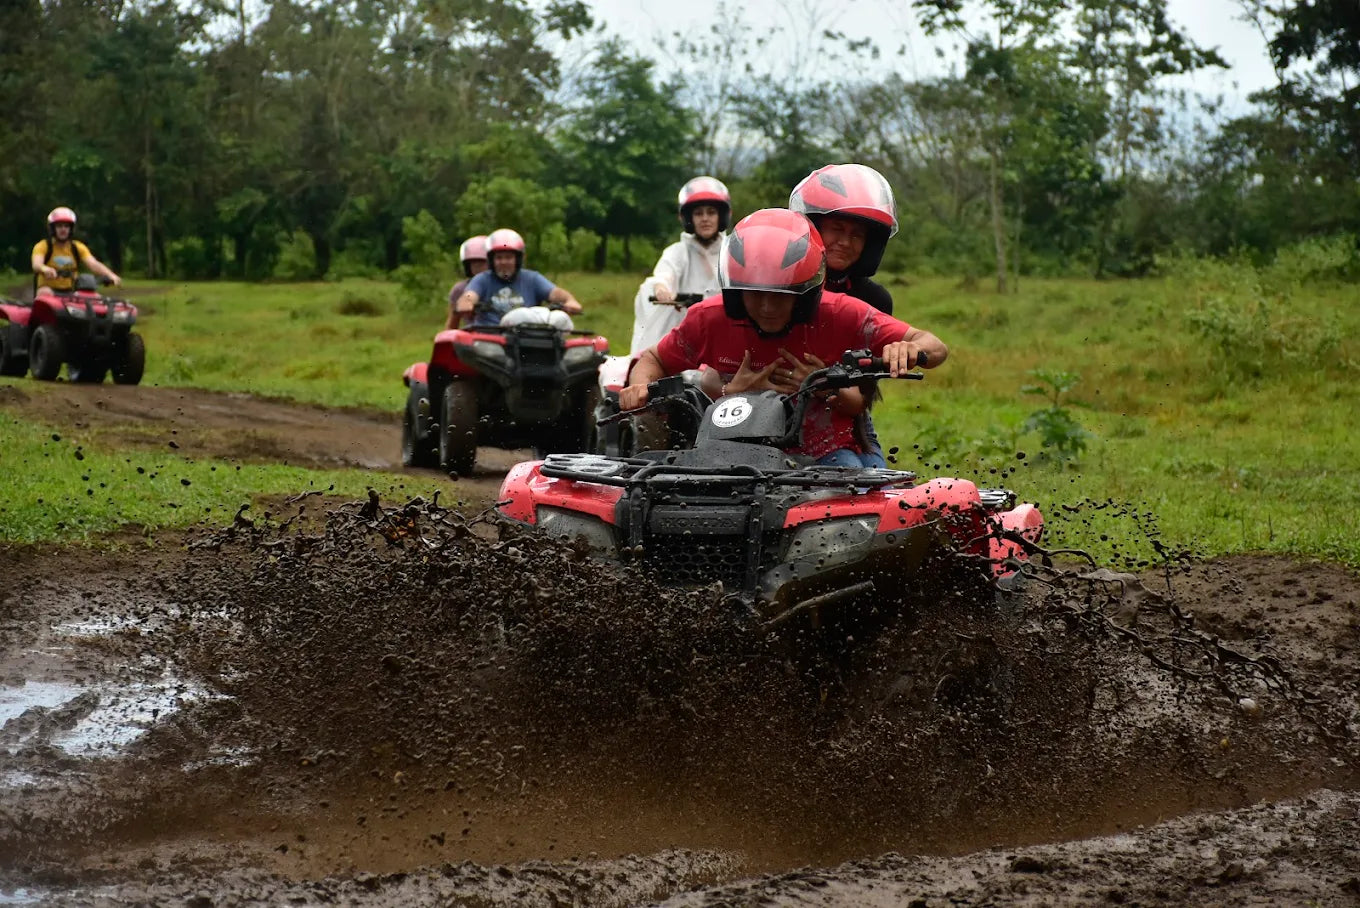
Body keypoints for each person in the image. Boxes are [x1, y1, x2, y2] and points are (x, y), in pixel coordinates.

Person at [619, 208, 947, 467]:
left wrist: (908, 347)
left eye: (780, 296)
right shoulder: (709, 318)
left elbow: (935, 347)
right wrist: (638, 386)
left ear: (805, 294)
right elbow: (655, 360)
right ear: (736, 292)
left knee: (868, 502)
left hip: (825, 454)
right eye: (754, 294)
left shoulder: (843, 313)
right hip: (728, 449)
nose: (766, 306)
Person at [790, 163, 901, 465]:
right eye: (836, 229)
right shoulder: (781, 284)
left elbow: (861, 397)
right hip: (772, 414)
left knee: (871, 481)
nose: (845, 241)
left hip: (845, 420)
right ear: (813, 228)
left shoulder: (873, 300)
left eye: (857, 235)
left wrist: (822, 383)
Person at [628, 176, 731, 354]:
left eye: (711, 212)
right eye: (698, 213)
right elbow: (664, 275)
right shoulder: (678, 251)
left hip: (726, 329)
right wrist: (662, 289)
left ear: (721, 216)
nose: (705, 219)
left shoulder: (733, 251)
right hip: (685, 331)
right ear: (688, 218)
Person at [454, 228, 582, 327]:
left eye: (509, 257)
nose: (504, 262)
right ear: (492, 261)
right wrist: (467, 303)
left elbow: (555, 293)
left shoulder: (532, 278)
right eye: (499, 258)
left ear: (518, 260)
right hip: (490, 337)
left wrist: (570, 301)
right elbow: (470, 295)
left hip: (527, 337)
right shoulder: (482, 279)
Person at [31, 207, 121, 294]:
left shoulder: (77, 247)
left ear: (71, 229)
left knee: (94, 299)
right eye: (59, 226)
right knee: (45, 293)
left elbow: (93, 264)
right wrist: (44, 269)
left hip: (72, 291)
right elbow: (36, 264)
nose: (63, 229)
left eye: (66, 226)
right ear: (53, 229)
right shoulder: (43, 246)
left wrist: (110, 275)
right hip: (48, 289)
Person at [445, 235, 489, 330]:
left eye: (482, 263)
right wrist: (458, 311)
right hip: (474, 336)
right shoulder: (460, 289)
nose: (477, 267)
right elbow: (451, 326)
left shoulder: (503, 284)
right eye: (473, 263)